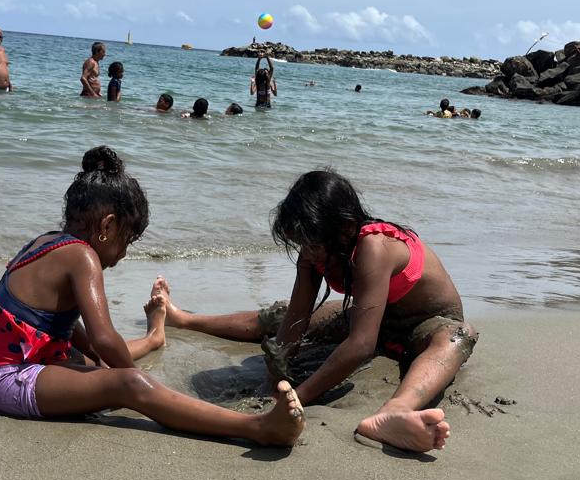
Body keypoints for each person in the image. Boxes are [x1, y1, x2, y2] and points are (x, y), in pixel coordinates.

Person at [0, 145, 305, 447]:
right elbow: (104, 340)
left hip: (27, 363)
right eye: (127, 241)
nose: (122, 255)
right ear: (107, 226)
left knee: (99, 363)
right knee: (130, 384)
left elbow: (59, 326)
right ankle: (258, 427)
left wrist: (100, 360)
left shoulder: (47, 242)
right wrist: (133, 378)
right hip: (12, 381)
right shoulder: (82, 256)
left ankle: (153, 338)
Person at [156, 168, 478, 454]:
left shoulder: (374, 247)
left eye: (312, 243)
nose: (306, 252)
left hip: (426, 323)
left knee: (458, 335)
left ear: (345, 228)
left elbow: (361, 345)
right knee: (280, 314)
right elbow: (295, 321)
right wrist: (275, 376)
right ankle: (183, 318)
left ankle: (396, 410)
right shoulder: (313, 254)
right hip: (372, 319)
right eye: (301, 243)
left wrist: (298, 397)